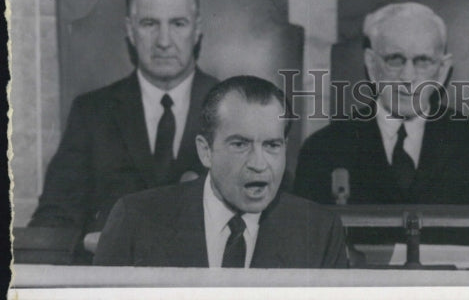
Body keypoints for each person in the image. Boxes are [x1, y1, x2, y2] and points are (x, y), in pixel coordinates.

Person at [293, 3, 469, 256]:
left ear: (442, 70)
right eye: (395, 60)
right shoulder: (323, 150)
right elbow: (300, 252)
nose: (408, 77)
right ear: (371, 63)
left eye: (422, 61)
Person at [30, 0, 218, 241]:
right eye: (149, 24)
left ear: (197, 29)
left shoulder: (232, 107)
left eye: (178, 24)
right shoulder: (91, 113)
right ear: (130, 30)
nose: (164, 42)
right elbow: (54, 218)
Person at [94, 76, 347, 268]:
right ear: (206, 151)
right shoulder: (136, 220)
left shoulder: (319, 232)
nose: (259, 163)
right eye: (240, 144)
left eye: (271, 145)